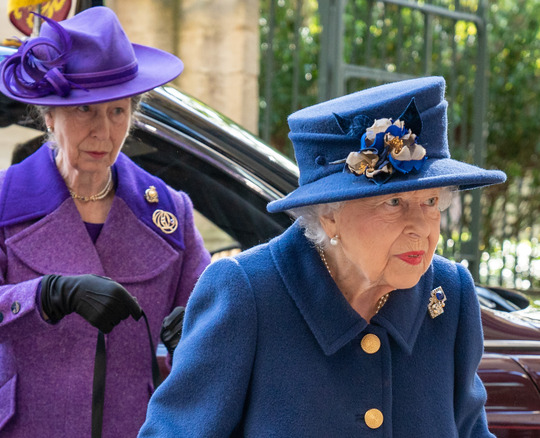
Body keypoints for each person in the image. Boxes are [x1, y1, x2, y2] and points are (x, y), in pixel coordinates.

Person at [139, 76, 505, 437]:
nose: (421, 228)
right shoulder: (248, 295)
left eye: (430, 201)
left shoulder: (449, 294)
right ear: (330, 214)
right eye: (393, 202)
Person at [0, 7, 210, 438]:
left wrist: (193, 343)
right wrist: (47, 294)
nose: (103, 132)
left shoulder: (169, 213)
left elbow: (214, 331)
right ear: (49, 114)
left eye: (117, 112)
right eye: (84, 110)